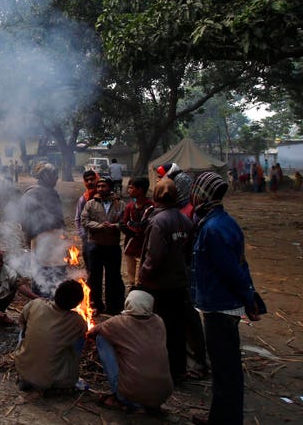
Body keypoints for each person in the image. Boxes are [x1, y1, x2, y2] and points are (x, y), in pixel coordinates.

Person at [189, 172, 262, 425]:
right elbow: (241, 264)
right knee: (223, 368)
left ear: (202, 194)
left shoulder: (213, 229)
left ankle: (225, 420)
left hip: (221, 307)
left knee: (225, 369)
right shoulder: (221, 222)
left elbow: (231, 270)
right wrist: (249, 296)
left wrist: (249, 298)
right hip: (222, 303)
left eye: (196, 190)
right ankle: (218, 417)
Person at [138, 177, 194, 383]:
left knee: (157, 327)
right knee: (177, 328)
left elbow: (153, 257)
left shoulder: (158, 222)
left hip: (158, 285)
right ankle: (178, 368)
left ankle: (159, 370)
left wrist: (143, 278)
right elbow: (188, 253)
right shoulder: (186, 220)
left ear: (156, 195)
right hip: (179, 282)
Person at [86, 290, 173, 414]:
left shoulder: (118, 322)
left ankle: (126, 399)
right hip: (162, 395)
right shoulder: (159, 321)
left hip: (130, 394)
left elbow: (92, 332)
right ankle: (146, 402)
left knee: (101, 339)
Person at [14, 280, 88, 392]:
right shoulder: (77, 321)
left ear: (56, 293)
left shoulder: (36, 304)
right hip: (55, 380)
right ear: (77, 303)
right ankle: (64, 378)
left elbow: (21, 321)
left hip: (23, 370)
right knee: (79, 340)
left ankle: (30, 366)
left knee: (24, 327)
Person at [19, 162, 67, 297]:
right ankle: (41, 304)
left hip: (56, 240)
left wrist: (64, 237)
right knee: (42, 273)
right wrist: (31, 240)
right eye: (54, 175)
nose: (57, 178)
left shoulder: (53, 193)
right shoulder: (31, 194)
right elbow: (25, 222)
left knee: (58, 272)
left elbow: (59, 218)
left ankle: (57, 301)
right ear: (44, 176)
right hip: (40, 240)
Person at [81, 178, 125, 315]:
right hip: (95, 246)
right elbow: (84, 221)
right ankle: (96, 305)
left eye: (103, 186)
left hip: (112, 246)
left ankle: (113, 307)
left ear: (110, 188)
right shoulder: (90, 204)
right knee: (94, 277)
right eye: (98, 186)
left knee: (113, 277)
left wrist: (115, 226)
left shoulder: (120, 204)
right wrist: (99, 226)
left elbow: (125, 222)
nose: (100, 189)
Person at [119, 177, 152, 289]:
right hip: (130, 246)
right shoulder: (130, 206)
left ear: (140, 189)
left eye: (131, 188)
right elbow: (123, 224)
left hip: (144, 247)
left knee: (142, 276)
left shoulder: (150, 207)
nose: (129, 190)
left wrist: (131, 226)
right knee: (131, 277)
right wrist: (135, 229)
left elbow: (144, 227)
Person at [74, 169, 100, 268]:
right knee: (90, 266)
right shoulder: (83, 199)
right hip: (88, 238)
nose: (89, 182)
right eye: (87, 180)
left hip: (103, 238)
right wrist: (82, 234)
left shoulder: (105, 196)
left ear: (96, 179)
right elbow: (78, 218)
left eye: (92, 179)